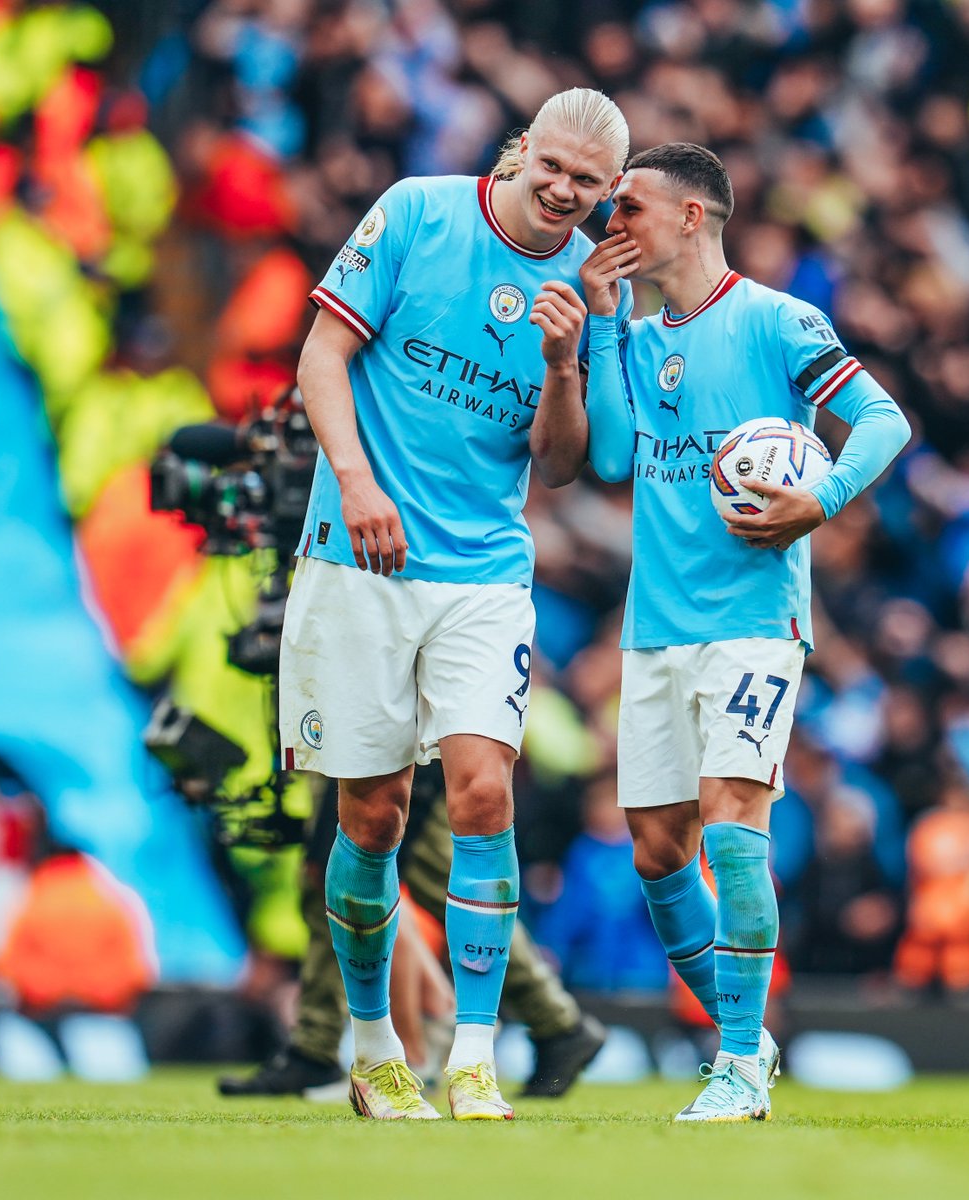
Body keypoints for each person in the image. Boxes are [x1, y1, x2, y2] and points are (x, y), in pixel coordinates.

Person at [277, 88, 630, 1121]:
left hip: (483, 571)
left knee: (484, 796)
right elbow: (321, 356)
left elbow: (567, 465)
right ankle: (377, 1048)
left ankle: (475, 1054)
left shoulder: (590, 290)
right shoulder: (419, 212)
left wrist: (568, 360)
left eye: (588, 182)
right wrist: (354, 482)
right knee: (373, 814)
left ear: (609, 192)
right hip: (361, 559)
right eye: (553, 166)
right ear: (522, 149)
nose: (564, 190)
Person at [567, 143, 910, 1120]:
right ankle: (745, 1036)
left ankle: (738, 1061)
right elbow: (612, 459)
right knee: (656, 848)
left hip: (755, 619)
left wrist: (824, 496)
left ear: (691, 216)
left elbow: (883, 422)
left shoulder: (777, 320)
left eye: (629, 206)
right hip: (655, 624)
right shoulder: (632, 336)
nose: (611, 222)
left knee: (733, 823)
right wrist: (599, 330)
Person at [218, 766, 606, 1099]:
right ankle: (327, 1045)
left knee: (383, 876)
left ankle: (545, 1022)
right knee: (356, 878)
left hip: (395, 736)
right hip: (377, 736)